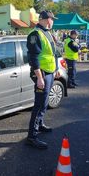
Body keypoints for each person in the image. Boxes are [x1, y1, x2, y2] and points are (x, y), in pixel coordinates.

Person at [26, 10, 60, 149]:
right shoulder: (35, 34)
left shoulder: (48, 33)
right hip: (42, 74)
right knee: (39, 103)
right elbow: (33, 58)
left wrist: (56, 69)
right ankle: (32, 136)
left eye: (52, 20)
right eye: (51, 19)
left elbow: (53, 53)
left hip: (50, 73)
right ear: (45, 19)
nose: (52, 22)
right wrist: (39, 78)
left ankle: (39, 124)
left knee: (45, 102)